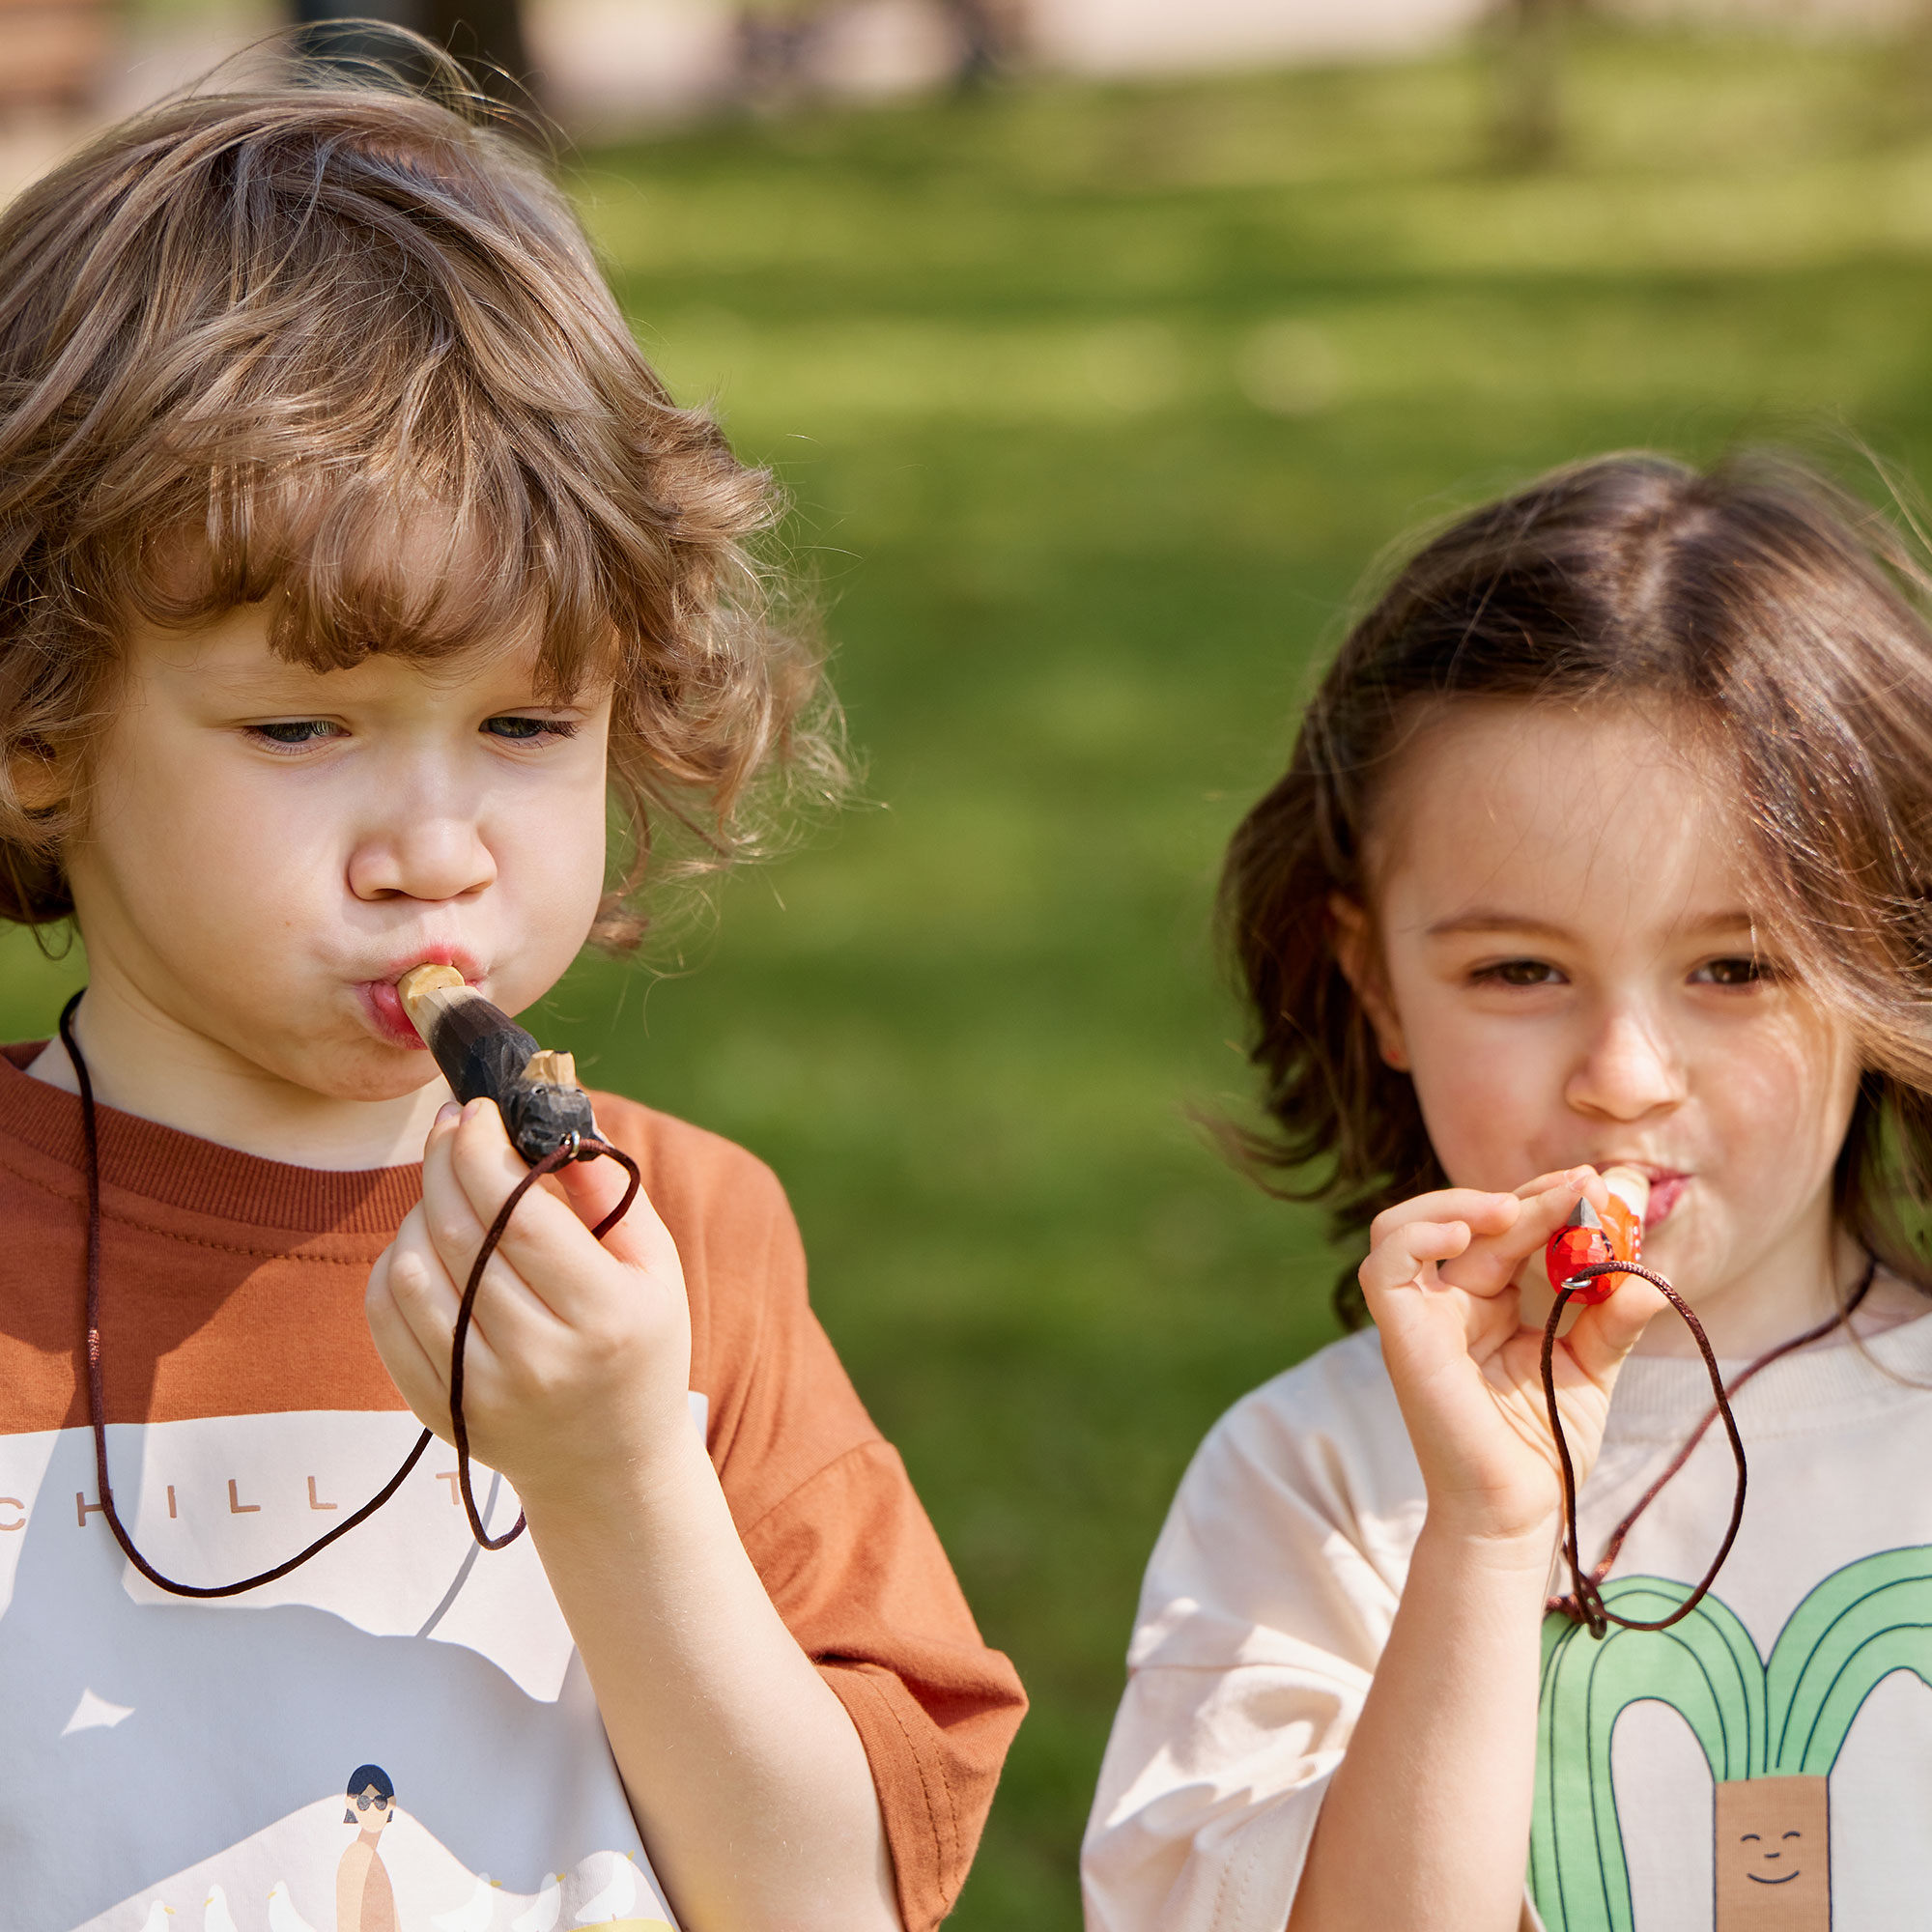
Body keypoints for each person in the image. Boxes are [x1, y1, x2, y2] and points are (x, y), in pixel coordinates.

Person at [0, 56, 1023, 1932]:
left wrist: (616, 1478)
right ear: (37, 724)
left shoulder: (685, 1249)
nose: (435, 845)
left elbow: (836, 1903)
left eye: (526, 724)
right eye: (303, 724)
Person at [1081, 451, 1932, 1932]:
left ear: (1883, 963)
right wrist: (1484, 1538)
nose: (1624, 1075)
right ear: (1377, 986)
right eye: (1519, 972)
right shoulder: (1315, 1485)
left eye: (1732, 967)